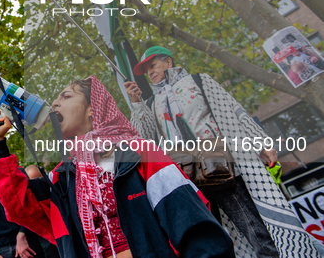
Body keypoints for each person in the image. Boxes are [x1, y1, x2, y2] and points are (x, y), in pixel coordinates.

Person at [0, 76, 235, 258]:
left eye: (66, 96)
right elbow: (20, 207)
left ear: (94, 110)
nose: (54, 103)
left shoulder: (140, 154)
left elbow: (193, 226)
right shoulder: (62, 178)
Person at [124, 45, 320, 257]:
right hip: (186, 178)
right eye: (146, 71)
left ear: (168, 62)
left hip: (219, 165)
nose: (150, 73)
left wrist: (261, 143)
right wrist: (137, 104)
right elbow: (143, 139)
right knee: (211, 240)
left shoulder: (198, 81)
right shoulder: (152, 103)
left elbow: (233, 110)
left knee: (254, 229)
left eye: (152, 65)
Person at [0, 142, 47, 258]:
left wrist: (22, 234)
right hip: (2, 249)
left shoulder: (17, 173)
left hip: (28, 241)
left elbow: (32, 204)